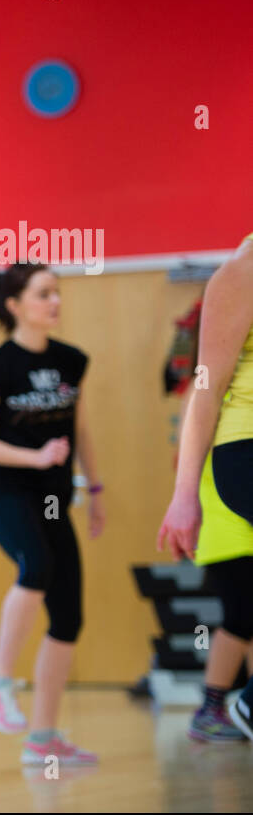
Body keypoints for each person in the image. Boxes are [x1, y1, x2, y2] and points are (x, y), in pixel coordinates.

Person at [0, 262, 103, 765]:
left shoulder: (72, 360)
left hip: (55, 500)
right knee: (37, 568)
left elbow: (79, 427)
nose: (55, 302)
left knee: (69, 616)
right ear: (14, 305)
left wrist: (98, 486)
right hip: (7, 496)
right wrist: (35, 456)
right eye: (44, 293)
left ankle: (43, 738)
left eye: (57, 293)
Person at [159, 237, 253, 741]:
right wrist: (183, 494)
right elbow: (205, 387)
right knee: (241, 609)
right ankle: (219, 706)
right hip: (244, 451)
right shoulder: (243, 272)